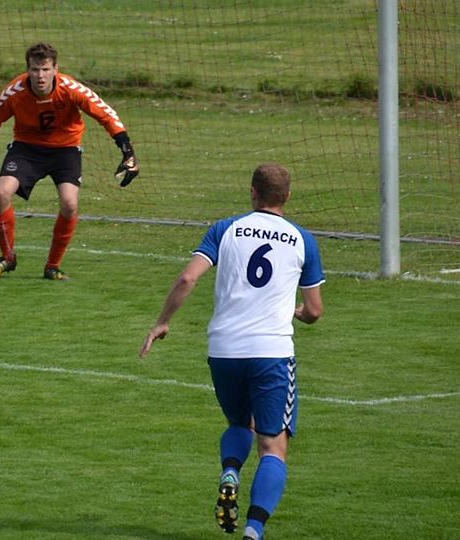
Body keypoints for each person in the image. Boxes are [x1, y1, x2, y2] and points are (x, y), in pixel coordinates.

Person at [138, 163, 324, 540]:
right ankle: (253, 531)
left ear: (252, 192)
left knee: (240, 424)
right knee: (272, 446)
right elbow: (315, 311)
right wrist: (298, 313)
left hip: (224, 351)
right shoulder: (302, 239)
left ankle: (230, 471)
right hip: (271, 352)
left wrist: (162, 322)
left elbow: (188, 277)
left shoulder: (225, 229)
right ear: (287, 197)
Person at [0, 42, 139, 281]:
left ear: (55, 69)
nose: (40, 76)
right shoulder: (14, 92)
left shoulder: (70, 88)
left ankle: (52, 266)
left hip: (65, 150)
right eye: (35, 69)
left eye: (45, 69)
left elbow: (105, 114)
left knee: (70, 204)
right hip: (27, 148)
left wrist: (128, 152)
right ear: (28, 70)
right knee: (1, 194)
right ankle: (7, 258)